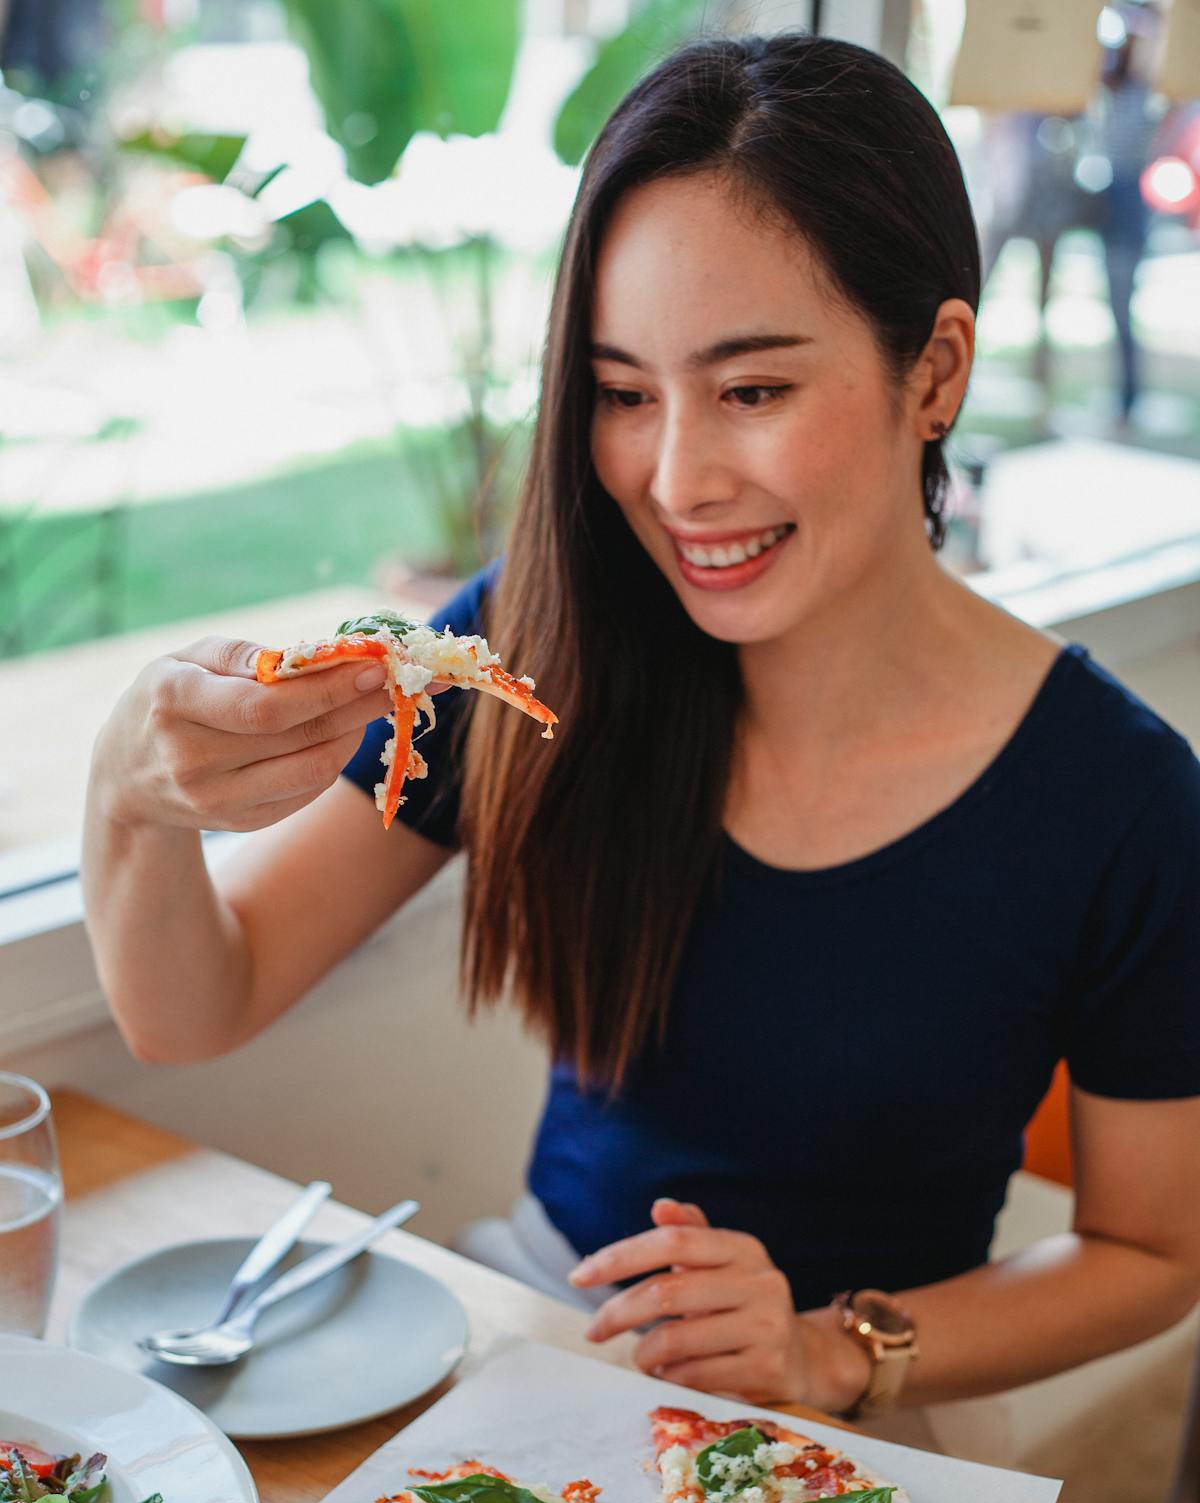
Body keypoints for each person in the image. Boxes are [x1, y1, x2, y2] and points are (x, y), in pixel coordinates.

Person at [83, 34, 1200, 1420]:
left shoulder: (1124, 800)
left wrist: (832, 1347)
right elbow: (198, 1005)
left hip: (878, 1415)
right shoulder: (533, 651)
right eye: (623, 395)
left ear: (936, 372)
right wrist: (130, 797)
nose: (674, 480)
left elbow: (1152, 1254)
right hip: (552, 1327)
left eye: (752, 391)